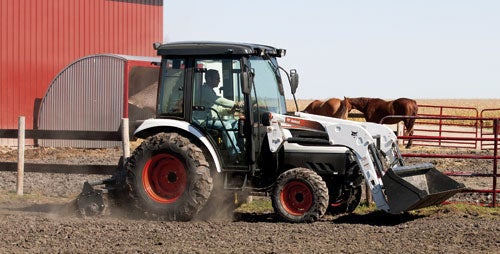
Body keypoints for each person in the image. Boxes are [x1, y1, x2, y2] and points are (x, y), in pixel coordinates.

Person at [199, 69, 243, 159]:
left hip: (212, 119)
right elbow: (219, 101)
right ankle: (235, 154)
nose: (219, 80)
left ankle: (241, 149)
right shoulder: (204, 90)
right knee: (226, 125)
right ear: (209, 79)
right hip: (202, 121)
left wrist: (230, 111)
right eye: (217, 78)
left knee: (236, 123)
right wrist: (235, 103)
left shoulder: (210, 91)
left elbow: (218, 109)